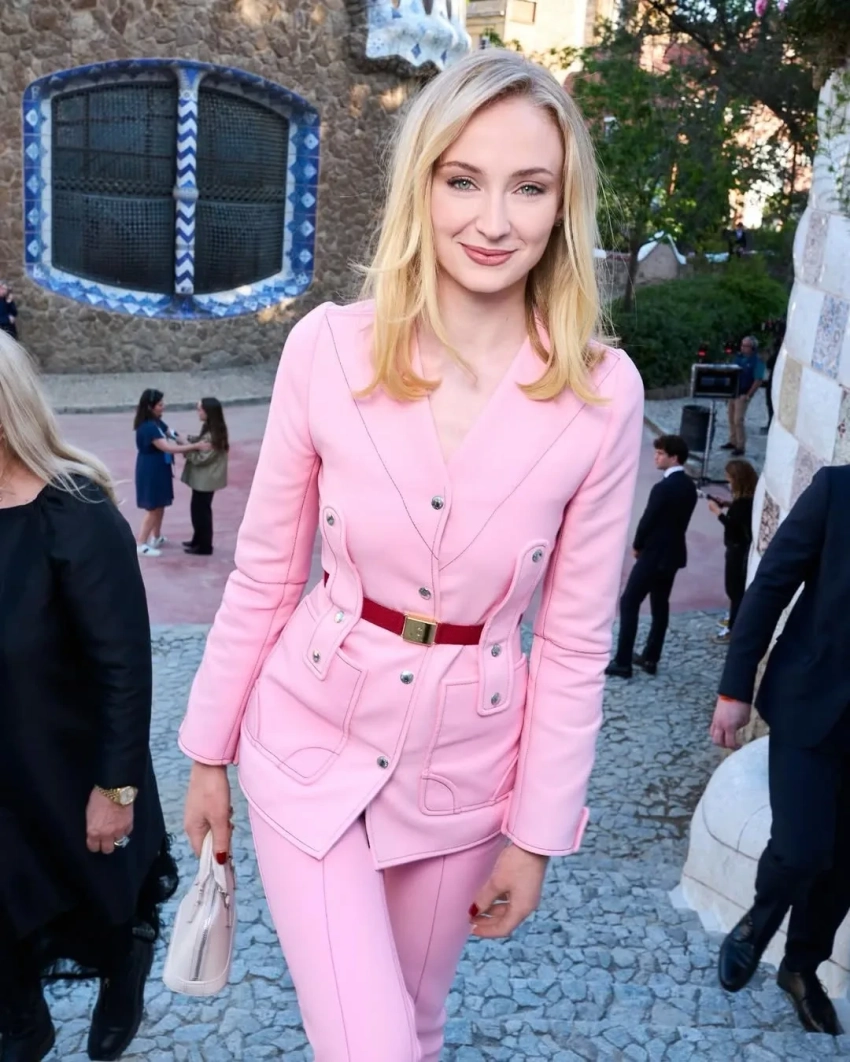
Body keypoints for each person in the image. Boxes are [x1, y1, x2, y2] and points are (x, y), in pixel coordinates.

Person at [178, 49, 644, 1062]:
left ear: (563, 205)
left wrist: (536, 833)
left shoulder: (603, 393)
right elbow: (266, 574)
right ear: (420, 185)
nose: (494, 220)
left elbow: (574, 642)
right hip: (307, 741)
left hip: (466, 774)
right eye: (463, 180)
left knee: (418, 1026)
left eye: (529, 187)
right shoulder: (327, 349)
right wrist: (207, 754)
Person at [0, 332, 178, 1062]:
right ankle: (22, 1023)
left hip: (67, 768)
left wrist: (116, 787)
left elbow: (124, 668)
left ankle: (124, 970)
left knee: (97, 902)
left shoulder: (74, 514)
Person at [711, 465, 850, 1037]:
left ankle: (800, 968)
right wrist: (734, 690)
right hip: (810, 702)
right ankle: (759, 922)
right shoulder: (836, 491)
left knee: (843, 866)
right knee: (800, 851)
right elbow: (770, 585)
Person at [605, 434, 697, 679]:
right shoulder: (689, 486)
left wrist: (637, 544)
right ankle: (650, 657)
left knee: (629, 602)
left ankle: (623, 661)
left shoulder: (663, 488)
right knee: (660, 605)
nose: (655, 457)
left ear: (674, 458)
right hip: (673, 554)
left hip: (654, 554)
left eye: (660, 454)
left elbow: (648, 520)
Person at [133, 389, 208, 558]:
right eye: (160, 404)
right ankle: (141, 543)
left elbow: (172, 434)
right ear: (151, 407)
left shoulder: (157, 422)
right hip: (151, 469)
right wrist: (194, 446)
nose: (163, 406)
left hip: (160, 467)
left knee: (160, 503)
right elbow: (167, 447)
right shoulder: (148, 427)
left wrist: (185, 441)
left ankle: (156, 536)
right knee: (153, 507)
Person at [707, 458, 757, 644]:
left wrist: (718, 513)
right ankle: (734, 622)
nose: (728, 483)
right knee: (736, 590)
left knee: (734, 590)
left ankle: (733, 629)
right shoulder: (749, 500)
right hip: (741, 550)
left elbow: (733, 527)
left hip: (737, 551)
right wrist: (728, 505)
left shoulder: (741, 504)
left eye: (730, 479)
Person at [181, 397, 229, 556]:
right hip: (205, 479)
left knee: (201, 512)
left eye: (200, 409)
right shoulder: (212, 429)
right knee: (198, 510)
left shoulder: (213, 435)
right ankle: (198, 540)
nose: (198, 412)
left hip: (206, 480)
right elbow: (201, 443)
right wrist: (190, 440)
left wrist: (186, 450)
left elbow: (202, 458)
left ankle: (204, 545)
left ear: (208, 412)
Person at [722, 336, 761, 457]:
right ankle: (733, 440)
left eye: (746, 346)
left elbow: (758, 380)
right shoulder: (738, 358)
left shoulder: (757, 362)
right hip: (734, 392)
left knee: (738, 419)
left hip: (743, 393)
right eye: (742, 345)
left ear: (753, 348)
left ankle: (740, 445)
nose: (743, 348)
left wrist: (749, 395)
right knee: (731, 417)